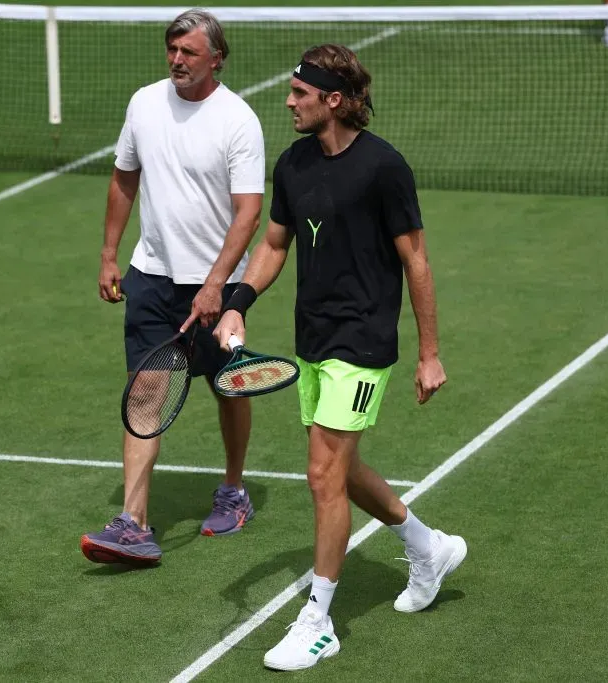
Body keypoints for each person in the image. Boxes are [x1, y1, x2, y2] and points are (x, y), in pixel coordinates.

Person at [213, 44, 467, 669]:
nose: (289, 101)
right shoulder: (294, 164)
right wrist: (238, 301)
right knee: (342, 470)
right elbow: (274, 245)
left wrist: (429, 352)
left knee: (323, 475)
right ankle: (425, 544)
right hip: (314, 339)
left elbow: (416, 260)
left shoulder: (384, 168)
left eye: (300, 94)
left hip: (364, 341)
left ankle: (318, 620)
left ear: (333, 100)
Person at [80, 9, 266, 566]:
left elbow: (249, 212)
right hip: (152, 278)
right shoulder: (143, 104)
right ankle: (133, 522)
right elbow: (124, 176)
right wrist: (111, 253)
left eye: (189, 52)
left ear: (216, 59)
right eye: (172, 49)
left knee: (228, 387)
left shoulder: (238, 120)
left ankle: (233, 490)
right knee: (144, 395)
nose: (177, 60)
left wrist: (216, 286)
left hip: (218, 286)